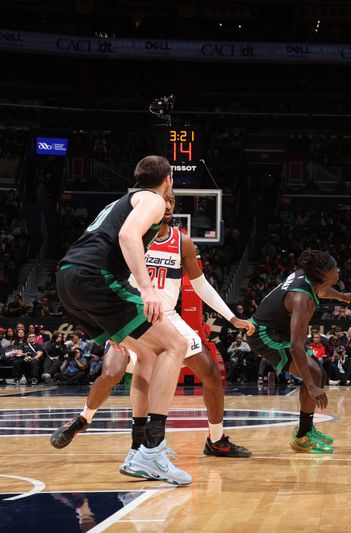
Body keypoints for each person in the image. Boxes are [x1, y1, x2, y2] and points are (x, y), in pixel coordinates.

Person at [50, 192, 254, 470]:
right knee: (112, 372)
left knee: (210, 373)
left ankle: (216, 440)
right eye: (164, 200)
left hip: (167, 315)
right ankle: (85, 418)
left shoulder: (182, 241)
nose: (167, 205)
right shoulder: (132, 232)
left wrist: (231, 317)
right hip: (129, 310)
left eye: (171, 201)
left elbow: (201, 284)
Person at [53, 155, 192, 485]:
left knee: (146, 353)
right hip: (94, 278)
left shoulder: (124, 200)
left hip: (67, 280)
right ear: (168, 179)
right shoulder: (154, 200)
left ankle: (138, 447)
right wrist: (147, 290)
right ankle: (153, 452)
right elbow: (129, 236)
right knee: (177, 344)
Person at [246, 249, 351, 453]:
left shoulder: (309, 277)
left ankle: (306, 430)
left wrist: (341, 297)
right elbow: (296, 346)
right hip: (263, 334)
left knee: (319, 374)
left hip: (277, 330)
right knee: (314, 375)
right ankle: (302, 437)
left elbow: (322, 290)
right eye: (335, 268)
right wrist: (311, 387)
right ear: (324, 274)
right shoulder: (302, 300)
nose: (338, 270)